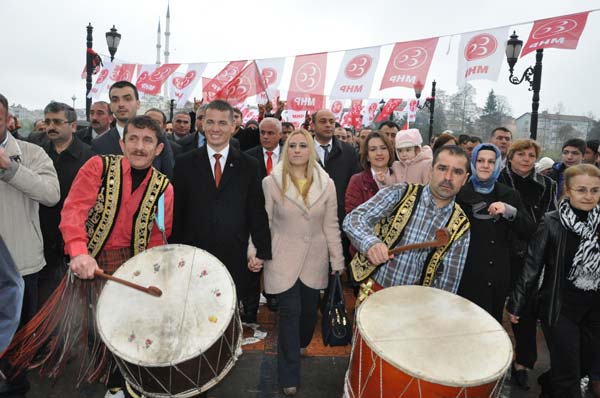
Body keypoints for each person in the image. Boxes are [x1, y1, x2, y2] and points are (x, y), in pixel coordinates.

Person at [248, 129, 344, 396]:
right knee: (289, 314)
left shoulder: (327, 184)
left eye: (303, 145)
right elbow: (262, 222)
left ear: (311, 150)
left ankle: (301, 344)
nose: (298, 150)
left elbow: (331, 224)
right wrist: (254, 251)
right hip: (282, 256)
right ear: (286, 150)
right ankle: (288, 376)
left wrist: (337, 259)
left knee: (307, 315)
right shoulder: (271, 182)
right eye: (292, 146)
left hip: (315, 258)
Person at [171, 100, 271, 325]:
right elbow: (178, 211)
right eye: (210, 122)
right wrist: (177, 252)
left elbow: (256, 210)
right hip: (195, 254)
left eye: (222, 123)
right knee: (196, 316)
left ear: (233, 127)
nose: (216, 128)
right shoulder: (185, 163)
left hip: (234, 254)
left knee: (227, 316)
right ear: (203, 125)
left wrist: (261, 250)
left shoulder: (249, 165)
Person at [508, 164, 600, 398]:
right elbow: (532, 265)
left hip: (595, 310)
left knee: (584, 366)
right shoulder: (552, 222)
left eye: (595, 190)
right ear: (567, 191)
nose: (589, 196)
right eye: (581, 190)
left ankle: (549, 385)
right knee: (568, 374)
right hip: (560, 309)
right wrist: (517, 304)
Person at [343, 146, 471, 295]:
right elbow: (353, 219)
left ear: (465, 179)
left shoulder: (461, 226)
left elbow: (447, 284)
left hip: (414, 306)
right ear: (430, 170)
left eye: (457, 172)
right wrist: (371, 243)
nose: (448, 177)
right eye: (442, 168)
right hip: (373, 292)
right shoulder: (400, 193)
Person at [498, 139, 557, 390]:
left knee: (526, 309)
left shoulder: (548, 184)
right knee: (497, 304)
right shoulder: (499, 177)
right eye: (520, 154)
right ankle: (497, 357)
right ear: (510, 156)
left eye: (530, 155)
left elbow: (551, 216)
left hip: (533, 250)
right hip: (501, 247)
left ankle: (523, 362)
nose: (525, 158)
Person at [456, 143, 535, 323]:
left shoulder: (509, 194)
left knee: (490, 325)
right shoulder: (460, 193)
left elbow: (529, 230)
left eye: (491, 161)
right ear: (473, 163)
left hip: (497, 273)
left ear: (498, 164)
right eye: (480, 160)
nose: (485, 165)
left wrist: (509, 211)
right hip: (466, 272)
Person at [38, 102, 93, 307]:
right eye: (48, 121)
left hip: (75, 241)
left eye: (58, 122)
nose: (51, 126)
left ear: (73, 126)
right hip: (42, 237)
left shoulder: (89, 156)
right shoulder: (37, 152)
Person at [92, 80, 176, 179]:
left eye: (127, 99)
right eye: (115, 100)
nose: (121, 104)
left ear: (138, 103)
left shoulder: (158, 138)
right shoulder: (99, 144)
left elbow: (168, 176)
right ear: (110, 107)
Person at [245, 117, 283, 311]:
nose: (266, 137)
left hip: (282, 215)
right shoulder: (248, 156)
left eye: (270, 133)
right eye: (262, 133)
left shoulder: (290, 156)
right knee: (255, 255)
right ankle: (251, 303)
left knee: (276, 256)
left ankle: (273, 293)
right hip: (255, 212)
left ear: (280, 134)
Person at [345, 131, 395, 257]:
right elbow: (352, 218)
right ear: (367, 156)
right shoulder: (357, 181)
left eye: (383, 148)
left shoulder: (400, 177)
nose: (379, 153)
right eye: (373, 149)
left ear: (390, 151)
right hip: (365, 253)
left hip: (396, 252)